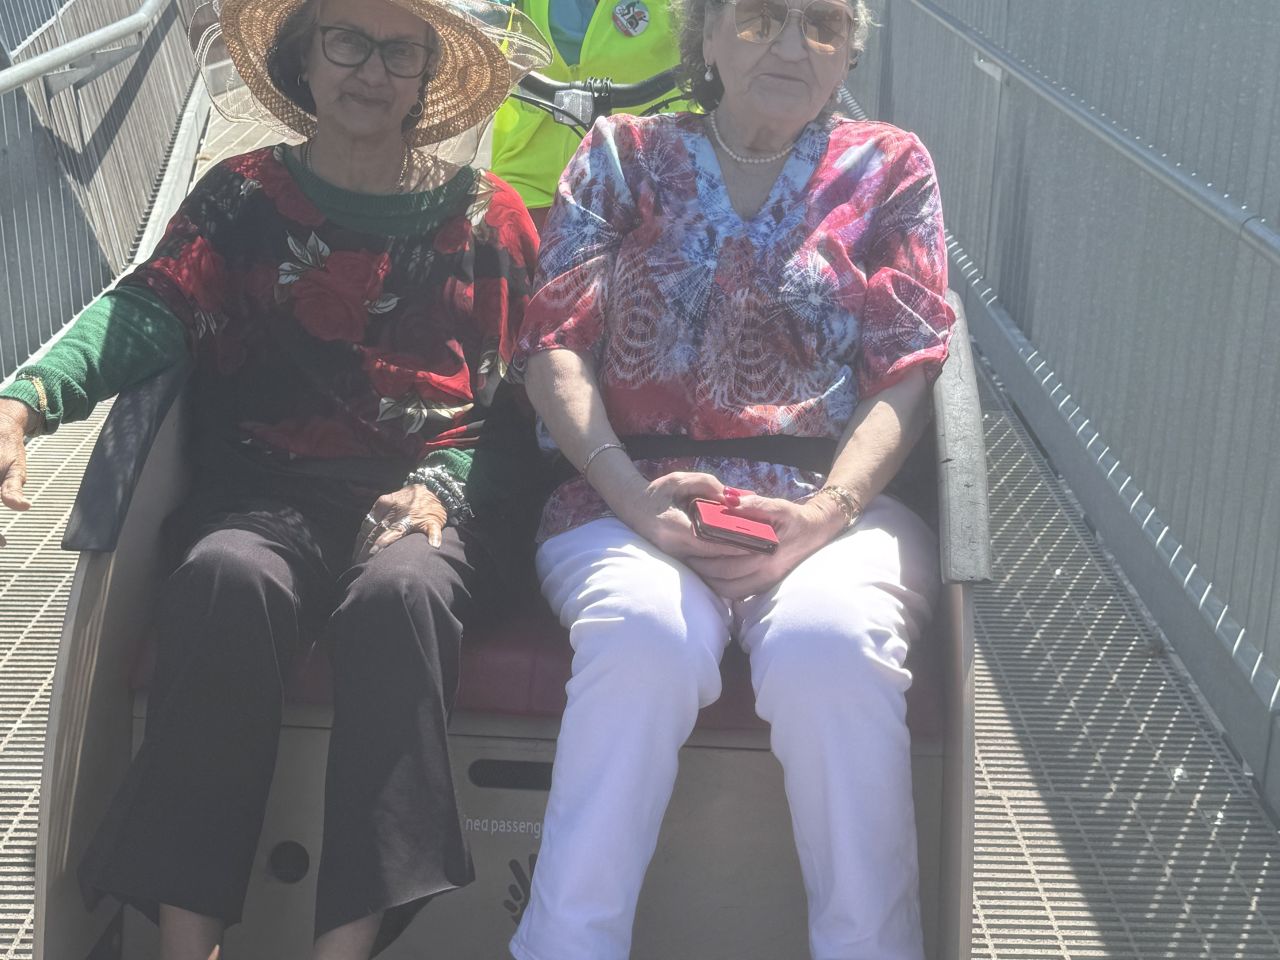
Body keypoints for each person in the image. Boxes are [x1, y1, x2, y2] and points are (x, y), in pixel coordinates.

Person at [0, 0, 549, 957]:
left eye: (399, 52)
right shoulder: (242, 196)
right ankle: (188, 946)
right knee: (225, 578)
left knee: (400, 597)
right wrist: (26, 400)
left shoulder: (488, 217)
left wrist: (445, 485)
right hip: (265, 495)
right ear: (304, 58)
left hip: (431, 498)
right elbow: (150, 307)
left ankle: (344, 950)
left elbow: (526, 408)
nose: (371, 70)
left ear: (427, 78)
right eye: (347, 41)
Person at [506, 0, 954, 958]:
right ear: (705, 35)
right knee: (643, 634)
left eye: (822, 24)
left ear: (848, 52)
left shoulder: (891, 168)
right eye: (759, 18)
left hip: (831, 506)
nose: (792, 45)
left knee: (833, 646)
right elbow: (553, 345)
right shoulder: (622, 155)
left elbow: (909, 371)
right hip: (628, 494)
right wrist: (633, 498)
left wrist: (824, 513)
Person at [488, 0, 691, 231]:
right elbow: (480, 13)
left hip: (644, 181)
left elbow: (716, 26)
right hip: (529, 178)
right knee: (498, 241)